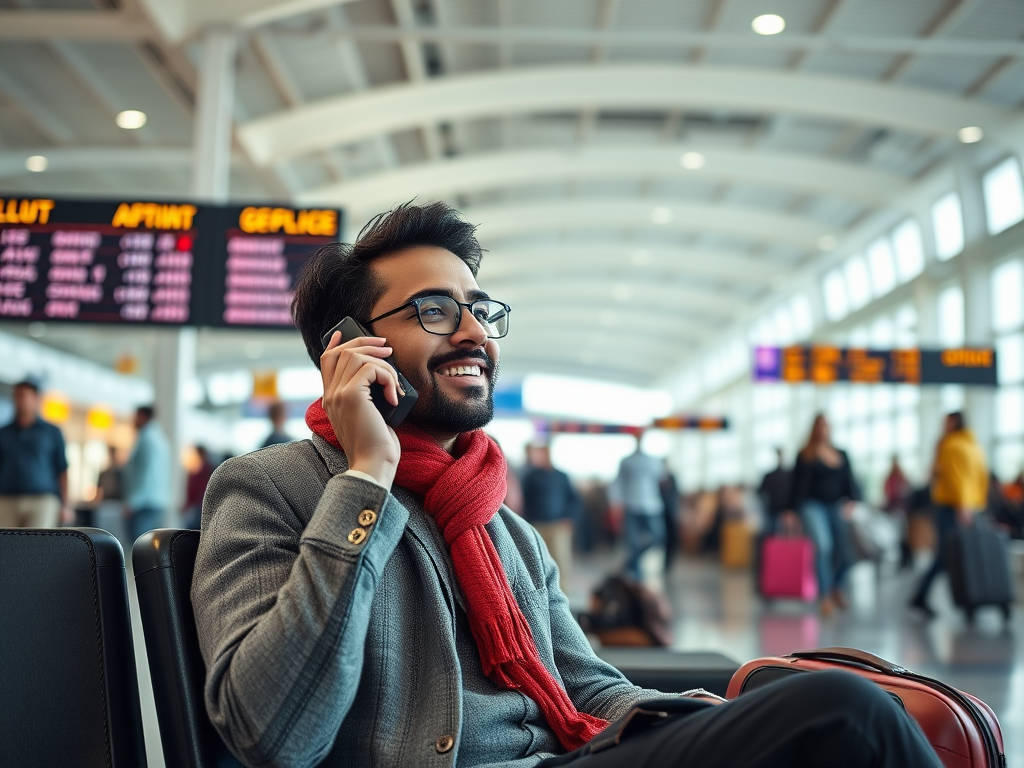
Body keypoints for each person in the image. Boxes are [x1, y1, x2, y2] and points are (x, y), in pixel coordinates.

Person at [191, 202, 940, 768]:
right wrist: (367, 478)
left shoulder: (496, 524)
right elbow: (275, 731)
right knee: (842, 711)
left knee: (828, 713)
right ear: (348, 348)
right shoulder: (269, 487)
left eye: (480, 311)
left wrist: (696, 718)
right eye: (434, 311)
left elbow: (587, 688)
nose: (475, 333)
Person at [909, 412, 989, 618]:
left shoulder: (951, 445)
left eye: (945, 423)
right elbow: (980, 477)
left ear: (954, 423)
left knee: (948, 556)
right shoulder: (974, 447)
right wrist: (976, 504)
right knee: (962, 555)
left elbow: (956, 477)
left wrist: (963, 505)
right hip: (970, 507)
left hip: (956, 507)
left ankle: (924, 596)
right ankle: (970, 601)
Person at [786, 414, 860, 617]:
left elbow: (851, 482)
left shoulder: (841, 454)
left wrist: (853, 501)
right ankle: (825, 596)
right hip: (812, 505)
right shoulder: (806, 455)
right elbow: (796, 486)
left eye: (826, 425)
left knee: (847, 551)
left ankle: (837, 586)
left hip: (837, 506)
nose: (822, 430)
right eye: (819, 426)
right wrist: (791, 511)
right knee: (823, 546)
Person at [0, 378, 71, 528]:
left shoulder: (51, 432)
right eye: (16, 396)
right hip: (7, 500)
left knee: (38, 547)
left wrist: (66, 505)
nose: (19, 400)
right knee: (6, 547)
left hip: (42, 501)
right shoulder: (3, 433)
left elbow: (62, 469)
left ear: (36, 398)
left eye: (24, 396)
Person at [522, 443, 579, 593]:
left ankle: (563, 591)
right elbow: (525, 501)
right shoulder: (531, 477)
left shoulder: (561, 476)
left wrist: (570, 518)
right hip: (537, 524)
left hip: (558, 525)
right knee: (537, 558)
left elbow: (573, 499)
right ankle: (541, 590)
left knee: (561, 558)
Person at [609, 433, 667, 580]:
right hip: (631, 505)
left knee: (657, 536)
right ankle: (636, 573)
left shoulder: (654, 461)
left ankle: (630, 562)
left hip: (651, 506)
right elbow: (618, 483)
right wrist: (615, 502)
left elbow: (662, 479)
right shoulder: (626, 461)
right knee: (632, 541)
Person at [122, 404, 171, 541]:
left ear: (143, 416)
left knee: (139, 546)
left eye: (136, 416)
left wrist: (132, 502)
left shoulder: (146, 439)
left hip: (143, 503)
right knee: (150, 547)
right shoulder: (160, 439)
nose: (134, 420)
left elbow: (144, 473)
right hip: (157, 502)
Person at [756, 447, 791, 533]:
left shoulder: (790, 475)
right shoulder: (770, 476)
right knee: (774, 534)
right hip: (774, 510)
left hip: (786, 510)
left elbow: (760, 492)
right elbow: (760, 492)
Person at [183, 445, 216, 530]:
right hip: (202, 505)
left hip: (202, 505)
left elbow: (194, 490)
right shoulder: (207, 468)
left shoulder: (205, 470)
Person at [659, 461, 680, 573]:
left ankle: (668, 562)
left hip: (671, 512)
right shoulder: (657, 478)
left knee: (671, 538)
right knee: (660, 536)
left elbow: (676, 494)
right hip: (659, 512)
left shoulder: (672, 477)